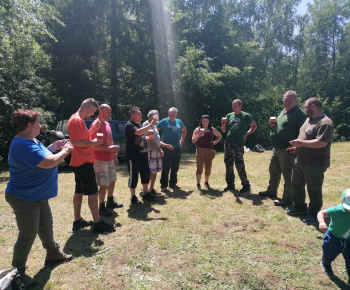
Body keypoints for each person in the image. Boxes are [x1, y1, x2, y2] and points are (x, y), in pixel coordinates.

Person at [5, 109, 73, 287]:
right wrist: (65, 150)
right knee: (28, 235)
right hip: (24, 197)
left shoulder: (31, 140)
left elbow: (42, 155)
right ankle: (17, 273)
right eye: (37, 123)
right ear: (29, 125)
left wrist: (53, 147)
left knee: (46, 224)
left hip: (37, 194)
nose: (40, 126)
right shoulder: (22, 144)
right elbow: (48, 162)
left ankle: (52, 253)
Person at [68, 98, 115, 233]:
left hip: (79, 161)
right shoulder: (77, 120)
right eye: (93, 111)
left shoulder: (76, 119)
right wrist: (94, 144)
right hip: (83, 161)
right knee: (92, 192)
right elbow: (76, 142)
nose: (93, 115)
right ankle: (98, 223)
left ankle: (77, 221)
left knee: (79, 191)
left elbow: (82, 138)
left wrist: (93, 130)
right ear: (87, 108)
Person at [287, 97, 334, 223]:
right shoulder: (309, 119)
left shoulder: (325, 122)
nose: (305, 109)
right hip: (300, 160)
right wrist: (296, 147)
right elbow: (304, 136)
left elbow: (321, 142)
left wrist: (300, 143)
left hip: (315, 162)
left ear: (313, 106)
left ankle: (314, 214)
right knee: (296, 184)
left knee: (314, 189)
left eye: (306, 107)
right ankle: (299, 208)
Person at [259, 90, 306, 206]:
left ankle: (288, 198)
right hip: (277, 148)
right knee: (274, 170)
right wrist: (272, 126)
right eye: (285, 99)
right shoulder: (283, 112)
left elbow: (305, 131)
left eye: (290, 100)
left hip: (288, 149)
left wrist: (295, 145)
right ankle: (271, 191)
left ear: (295, 101)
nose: (287, 102)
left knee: (288, 174)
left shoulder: (299, 113)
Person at [90, 104, 122, 217]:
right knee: (103, 183)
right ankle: (101, 207)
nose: (109, 114)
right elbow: (93, 146)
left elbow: (110, 141)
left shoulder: (107, 124)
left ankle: (110, 201)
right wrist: (110, 149)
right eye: (107, 112)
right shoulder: (96, 125)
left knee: (112, 179)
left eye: (110, 112)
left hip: (109, 158)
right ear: (101, 111)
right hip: (100, 159)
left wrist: (114, 155)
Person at [221, 99, 257, 192]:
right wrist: (223, 124)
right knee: (228, 164)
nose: (233, 108)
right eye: (232, 106)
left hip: (238, 143)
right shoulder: (229, 115)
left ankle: (246, 185)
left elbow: (254, 126)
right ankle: (230, 185)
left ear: (240, 106)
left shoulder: (246, 116)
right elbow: (224, 131)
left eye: (235, 106)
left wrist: (246, 134)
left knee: (239, 165)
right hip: (228, 143)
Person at [125, 107, 158, 204]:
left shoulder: (139, 124)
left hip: (143, 154)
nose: (141, 115)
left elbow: (140, 135)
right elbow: (138, 132)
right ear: (132, 115)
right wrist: (151, 124)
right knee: (133, 176)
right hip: (133, 156)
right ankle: (133, 197)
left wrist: (147, 137)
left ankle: (145, 193)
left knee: (145, 174)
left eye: (140, 114)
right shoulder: (129, 125)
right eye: (138, 114)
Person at [317, 189, 350, 284]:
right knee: (329, 253)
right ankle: (325, 263)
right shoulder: (338, 210)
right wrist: (322, 222)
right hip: (334, 238)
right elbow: (321, 213)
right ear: (342, 202)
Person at [142, 110, 173, 195]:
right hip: (150, 151)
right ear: (152, 117)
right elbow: (149, 140)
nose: (158, 117)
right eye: (157, 115)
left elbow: (156, 140)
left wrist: (165, 145)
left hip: (155, 151)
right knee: (151, 171)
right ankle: (145, 190)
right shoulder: (146, 124)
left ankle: (151, 189)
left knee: (154, 171)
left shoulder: (154, 126)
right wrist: (159, 150)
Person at [157, 107, 187, 192]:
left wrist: (182, 140)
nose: (171, 116)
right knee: (166, 167)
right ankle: (164, 185)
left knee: (175, 167)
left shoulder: (179, 121)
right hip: (166, 148)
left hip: (176, 147)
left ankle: (173, 183)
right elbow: (155, 131)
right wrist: (161, 143)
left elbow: (184, 130)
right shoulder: (164, 121)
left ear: (176, 115)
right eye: (169, 114)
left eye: (173, 115)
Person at [192, 115, 222, 190]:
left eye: (206, 121)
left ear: (209, 122)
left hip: (209, 150)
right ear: (201, 122)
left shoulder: (212, 129)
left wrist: (215, 142)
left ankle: (206, 182)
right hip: (200, 149)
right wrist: (199, 135)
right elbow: (193, 141)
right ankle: (198, 184)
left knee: (208, 167)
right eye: (203, 121)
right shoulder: (198, 129)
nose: (205, 122)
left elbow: (220, 136)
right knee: (199, 168)